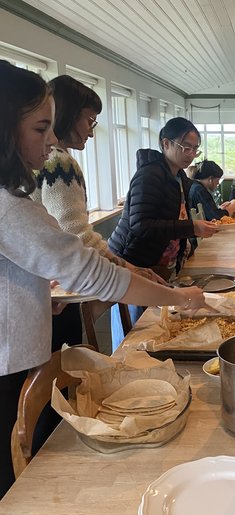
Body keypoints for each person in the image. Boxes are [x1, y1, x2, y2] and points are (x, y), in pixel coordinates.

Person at [0, 61, 208, 499]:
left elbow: (42, 257)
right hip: (9, 361)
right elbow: (87, 267)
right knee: (26, 485)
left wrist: (38, 287)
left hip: (20, 349)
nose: (52, 139)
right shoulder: (9, 204)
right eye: (40, 128)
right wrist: (175, 296)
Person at [32, 75, 161, 352]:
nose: (91, 132)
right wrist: (129, 269)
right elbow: (75, 235)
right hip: (47, 297)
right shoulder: (60, 163)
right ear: (68, 115)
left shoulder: (46, 160)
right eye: (89, 121)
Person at [108, 118, 217, 346]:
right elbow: (140, 224)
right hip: (136, 263)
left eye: (195, 149)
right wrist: (192, 228)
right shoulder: (150, 175)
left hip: (160, 265)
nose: (191, 154)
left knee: (158, 330)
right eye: (186, 147)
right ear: (165, 143)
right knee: (138, 337)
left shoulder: (179, 177)